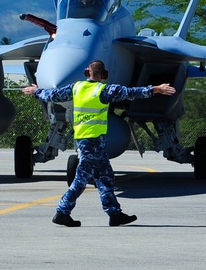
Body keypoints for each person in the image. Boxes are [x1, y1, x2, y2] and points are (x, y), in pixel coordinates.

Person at [22, 60, 176, 227]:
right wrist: (156, 89)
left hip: (86, 140)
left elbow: (53, 95)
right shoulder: (104, 90)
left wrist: (37, 91)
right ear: (104, 75)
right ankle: (62, 212)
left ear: (87, 73)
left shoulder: (76, 87)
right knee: (81, 180)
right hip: (93, 142)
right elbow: (131, 92)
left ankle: (114, 213)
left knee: (105, 177)